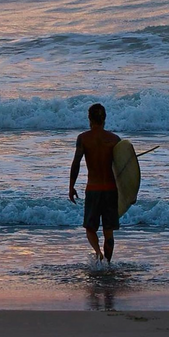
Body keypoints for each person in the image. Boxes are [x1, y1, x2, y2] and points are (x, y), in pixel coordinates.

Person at [69, 103, 121, 262]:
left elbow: (76, 163)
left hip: (93, 189)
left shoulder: (83, 138)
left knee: (90, 229)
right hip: (111, 190)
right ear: (104, 118)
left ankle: (98, 252)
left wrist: (71, 186)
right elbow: (123, 168)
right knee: (108, 231)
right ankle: (108, 264)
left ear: (89, 118)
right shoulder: (114, 139)